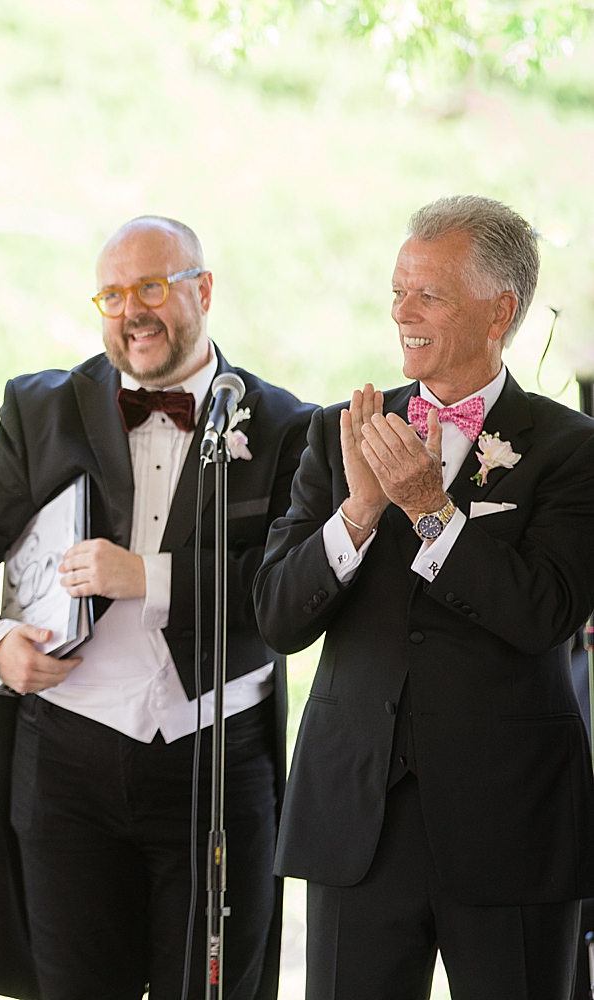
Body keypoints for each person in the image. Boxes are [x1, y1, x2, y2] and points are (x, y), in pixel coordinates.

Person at [0, 216, 314, 1000]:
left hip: (218, 764)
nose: (131, 311)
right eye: (112, 294)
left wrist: (147, 575)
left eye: (151, 287)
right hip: (66, 768)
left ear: (203, 289)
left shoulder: (288, 425)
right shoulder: (39, 411)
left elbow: (290, 593)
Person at [255, 195, 594, 998]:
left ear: (498, 311)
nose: (402, 313)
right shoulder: (339, 430)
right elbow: (275, 616)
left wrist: (432, 511)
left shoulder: (571, 448)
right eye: (398, 290)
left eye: (429, 295)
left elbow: (547, 613)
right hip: (355, 819)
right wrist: (361, 510)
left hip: (511, 820)